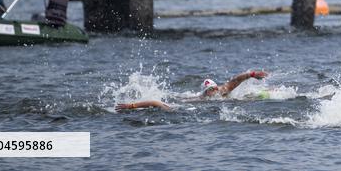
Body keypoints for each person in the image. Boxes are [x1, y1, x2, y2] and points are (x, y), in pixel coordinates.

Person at [115, 69, 268, 111]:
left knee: (248, 97)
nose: (213, 92)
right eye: (209, 90)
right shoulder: (199, 99)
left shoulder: (223, 90)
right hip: (186, 100)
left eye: (213, 89)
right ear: (205, 92)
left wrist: (252, 75)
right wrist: (132, 105)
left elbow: (237, 79)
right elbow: (156, 103)